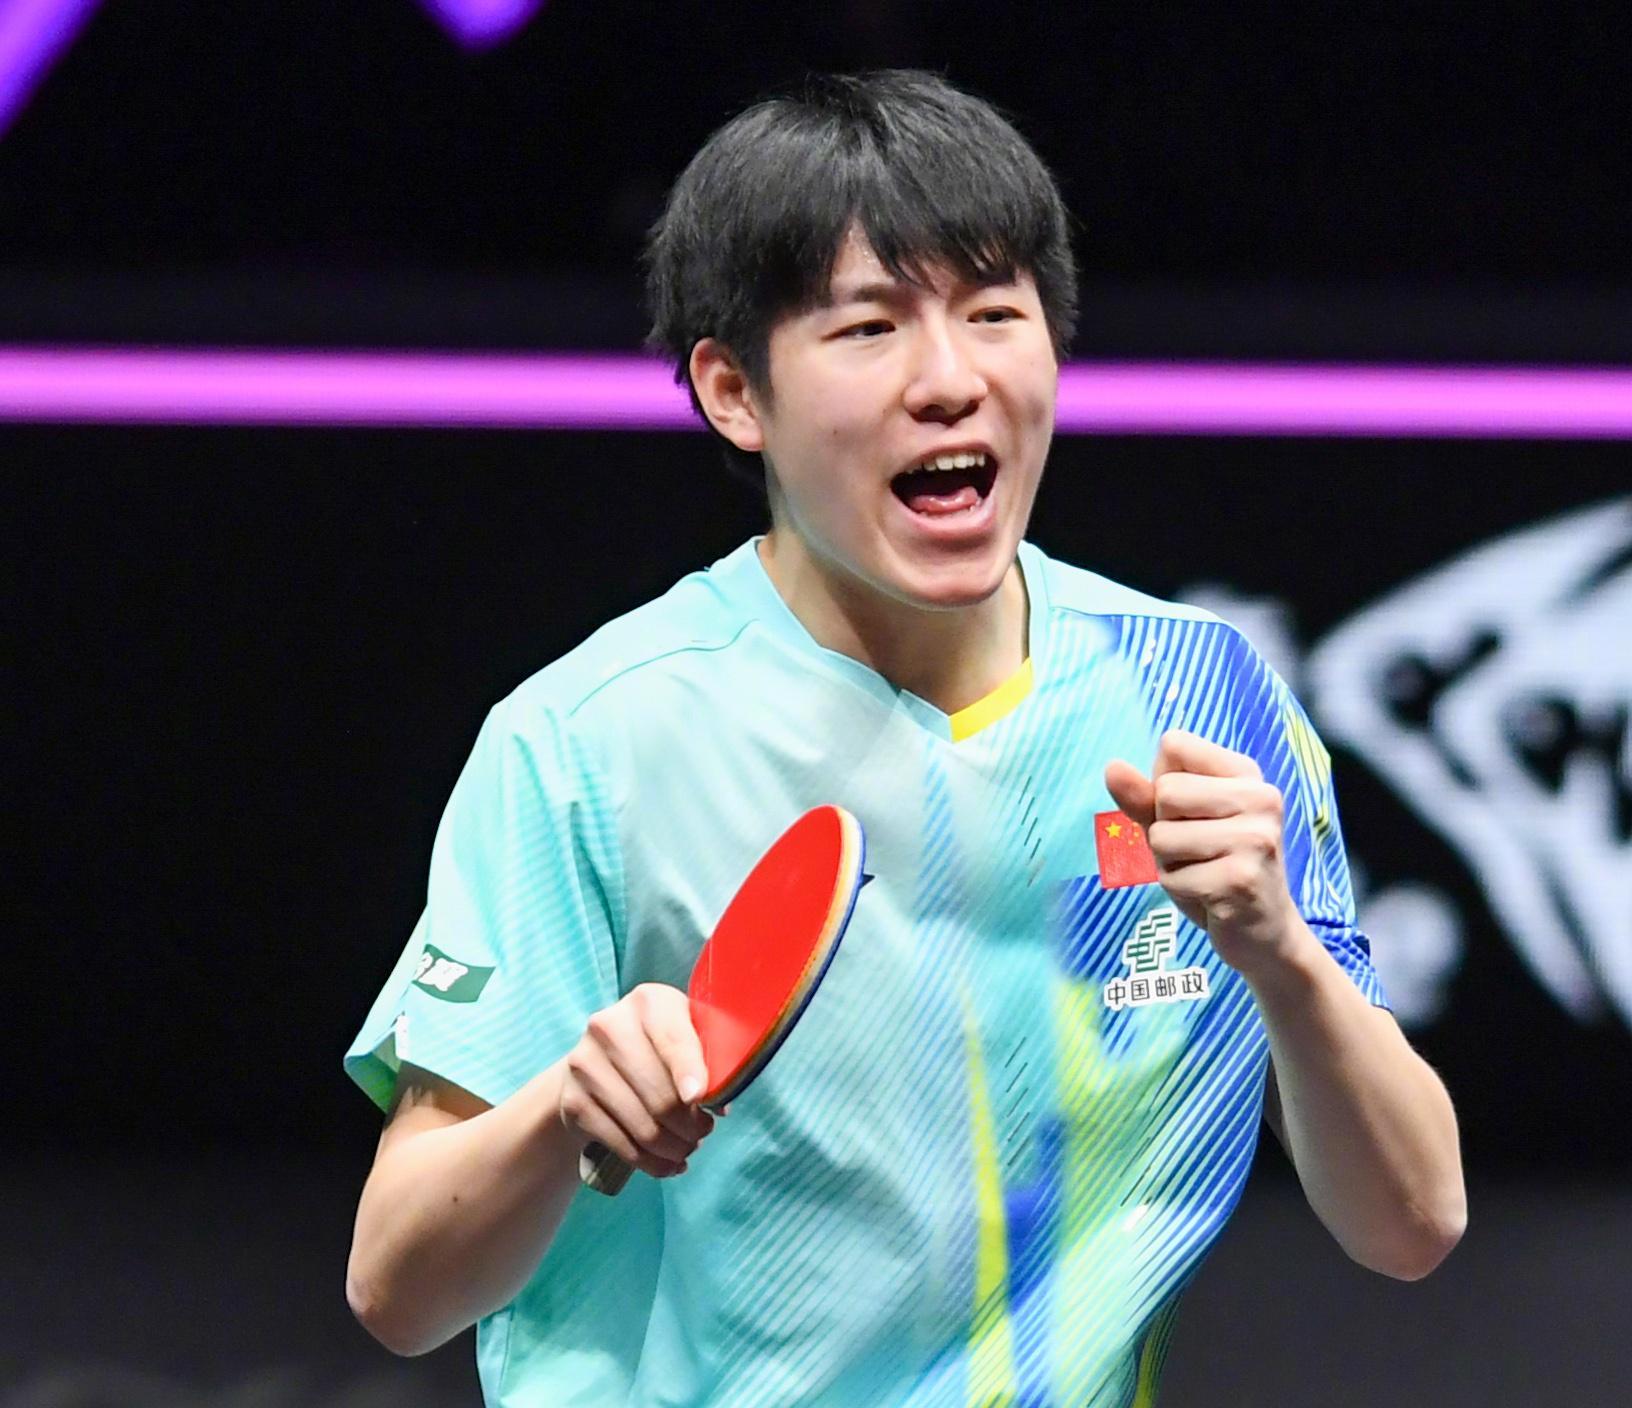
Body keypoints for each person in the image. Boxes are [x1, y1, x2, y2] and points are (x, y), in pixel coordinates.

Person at [343, 68, 1465, 1406]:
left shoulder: (1198, 693)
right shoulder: (587, 742)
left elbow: (1414, 1223)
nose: (950, 380)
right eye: (871, 327)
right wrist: (560, 1111)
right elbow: (397, 1290)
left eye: (995, 314)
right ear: (733, 391)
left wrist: (1283, 957)